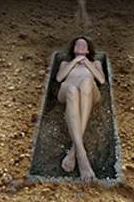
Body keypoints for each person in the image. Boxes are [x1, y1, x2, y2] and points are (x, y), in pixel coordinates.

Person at [56, 37, 105, 182]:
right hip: (66, 91)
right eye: (77, 44)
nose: (81, 46)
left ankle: (75, 152)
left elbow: (101, 80)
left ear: (88, 50)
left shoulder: (95, 63)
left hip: (89, 92)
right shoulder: (65, 63)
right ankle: (81, 154)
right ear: (73, 49)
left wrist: (87, 63)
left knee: (87, 82)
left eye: (84, 45)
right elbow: (59, 78)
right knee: (72, 89)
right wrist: (74, 61)